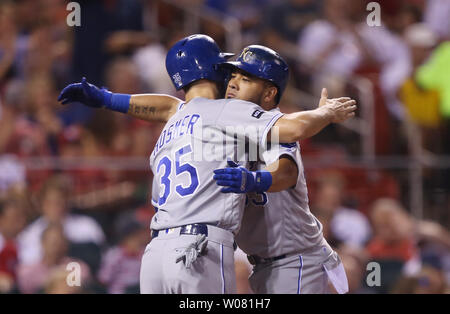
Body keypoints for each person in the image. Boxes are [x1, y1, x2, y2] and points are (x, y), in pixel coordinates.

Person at [58, 34, 356, 294]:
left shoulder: (182, 121)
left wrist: (107, 98)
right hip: (202, 250)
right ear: (214, 71)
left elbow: (288, 168)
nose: (234, 82)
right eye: (233, 74)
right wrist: (325, 114)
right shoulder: (221, 113)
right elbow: (169, 105)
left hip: (286, 258)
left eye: (245, 78)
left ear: (268, 93)